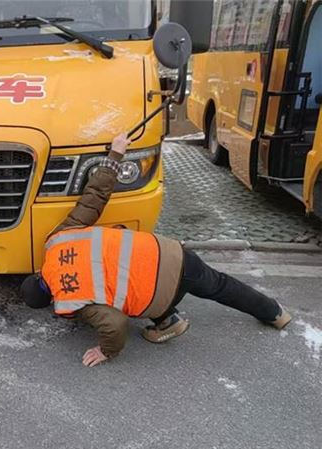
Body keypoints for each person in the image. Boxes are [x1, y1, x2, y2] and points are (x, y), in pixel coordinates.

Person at [21, 132, 291, 367]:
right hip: (171, 253)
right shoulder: (58, 240)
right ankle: (275, 313)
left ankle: (167, 320)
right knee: (220, 285)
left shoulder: (71, 300)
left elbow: (115, 324)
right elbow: (94, 198)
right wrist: (115, 155)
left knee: (128, 296)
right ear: (38, 273)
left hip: (162, 293)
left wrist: (106, 351)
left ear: (52, 301)